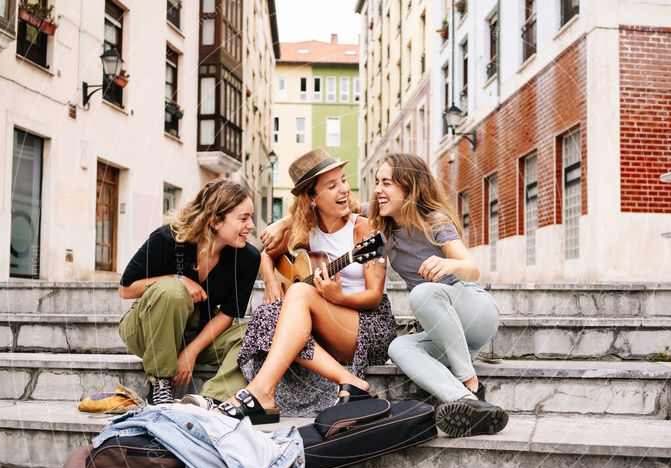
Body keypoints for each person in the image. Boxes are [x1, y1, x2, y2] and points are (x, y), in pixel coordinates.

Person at [201, 148, 396, 422]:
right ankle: (346, 381)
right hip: (328, 325)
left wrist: (336, 296)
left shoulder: (364, 230)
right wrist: (270, 282)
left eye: (342, 180)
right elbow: (266, 255)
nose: (343, 189)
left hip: (369, 328)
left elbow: (374, 297)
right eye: (331, 185)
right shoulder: (306, 232)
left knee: (300, 292)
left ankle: (260, 391)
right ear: (313, 199)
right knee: (267, 314)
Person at [368, 153, 508, 438]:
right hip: (443, 331)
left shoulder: (435, 221)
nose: (378, 190)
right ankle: (467, 402)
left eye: (386, 183)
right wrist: (284, 225)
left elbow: (472, 268)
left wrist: (450, 264)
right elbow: (333, 210)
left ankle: (469, 381)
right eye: (376, 182)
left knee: (422, 293)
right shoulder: (384, 227)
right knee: (398, 348)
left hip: (472, 310)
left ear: (409, 187)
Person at [118, 179, 260, 405]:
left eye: (250, 217)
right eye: (243, 218)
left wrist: (191, 352)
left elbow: (228, 314)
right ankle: (160, 381)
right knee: (172, 290)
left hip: (197, 332)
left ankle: (214, 399)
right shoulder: (167, 239)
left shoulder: (248, 258)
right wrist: (178, 279)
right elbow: (126, 289)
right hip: (148, 330)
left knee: (257, 330)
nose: (251, 226)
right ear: (215, 221)